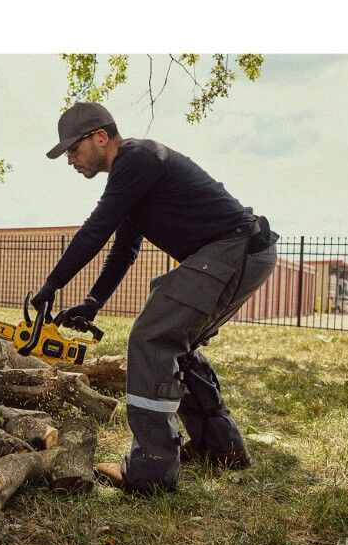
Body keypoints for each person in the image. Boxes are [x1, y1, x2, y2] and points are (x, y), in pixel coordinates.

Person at [32, 102, 279, 494]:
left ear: (99, 137)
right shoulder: (133, 175)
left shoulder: (137, 158)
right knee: (179, 342)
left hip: (233, 248)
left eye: (73, 150)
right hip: (245, 252)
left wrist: (50, 286)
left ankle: (151, 472)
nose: (70, 161)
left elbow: (96, 229)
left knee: (150, 339)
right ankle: (221, 448)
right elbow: (123, 250)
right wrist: (93, 302)